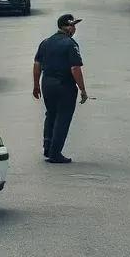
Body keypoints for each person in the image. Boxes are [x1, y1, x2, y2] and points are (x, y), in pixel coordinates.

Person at [33, 14, 89, 163]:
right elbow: (75, 68)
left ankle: (47, 147)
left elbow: (37, 64)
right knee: (63, 118)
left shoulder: (45, 42)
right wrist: (82, 89)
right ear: (68, 27)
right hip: (64, 85)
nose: (75, 29)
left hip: (47, 84)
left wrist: (36, 85)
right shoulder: (71, 44)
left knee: (51, 114)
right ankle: (55, 153)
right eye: (73, 26)